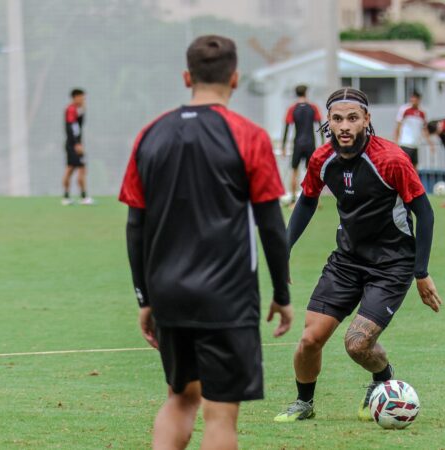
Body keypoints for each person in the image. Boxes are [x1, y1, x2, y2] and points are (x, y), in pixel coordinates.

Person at [118, 35, 293, 449]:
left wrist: (145, 296)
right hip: (227, 298)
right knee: (221, 413)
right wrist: (282, 292)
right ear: (235, 78)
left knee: (180, 398)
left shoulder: (150, 135)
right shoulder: (249, 136)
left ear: (186, 77)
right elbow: (270, 224)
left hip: (168, 294)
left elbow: (135, 226)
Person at [274, 88, 442, 423]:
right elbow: (307, 201)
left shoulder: (391, 160)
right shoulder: (322, 159)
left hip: (392, 265)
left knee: (357, 344)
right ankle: (304, 403)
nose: (345, 126)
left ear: (367, 119)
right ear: (329, 123)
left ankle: (383, 380)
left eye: (353, 118)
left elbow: (425, 213)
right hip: (347, 261)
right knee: (310, 339)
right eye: (338, 119)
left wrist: (421, 273)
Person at [282, 85, 323, 206]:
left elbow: (286, 128)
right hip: (311, 143)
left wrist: (284, 146)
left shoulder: (292, 108)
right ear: (306, 93)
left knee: (294, 171)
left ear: (296, 94)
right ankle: (316, 200)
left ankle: (293, 201)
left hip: (298, 144)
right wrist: (323, 142)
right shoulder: (313, 107)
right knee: (312, 172)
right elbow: (320, 126)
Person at [62, 88, 94, 205]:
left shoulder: (76, 110)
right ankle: (74, 197)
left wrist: (83, 110)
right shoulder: (71, 110)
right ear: (75, 97)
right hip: (74, 145)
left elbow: (79, 125)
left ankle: (74, 197)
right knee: (72, 169)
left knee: (78, 168)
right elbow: (71, 128)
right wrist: (77, 144)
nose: (83, 100)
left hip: (75, 144)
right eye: (81, 97)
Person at [394, 91, 434, 169]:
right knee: (405, 166)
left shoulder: (422, 113)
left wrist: (430, 143)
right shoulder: (405, 109)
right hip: (405, 143)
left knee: (415, 168)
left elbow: (424, 129)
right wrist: (396, 141)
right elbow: (398, 126)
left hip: (415, 145)